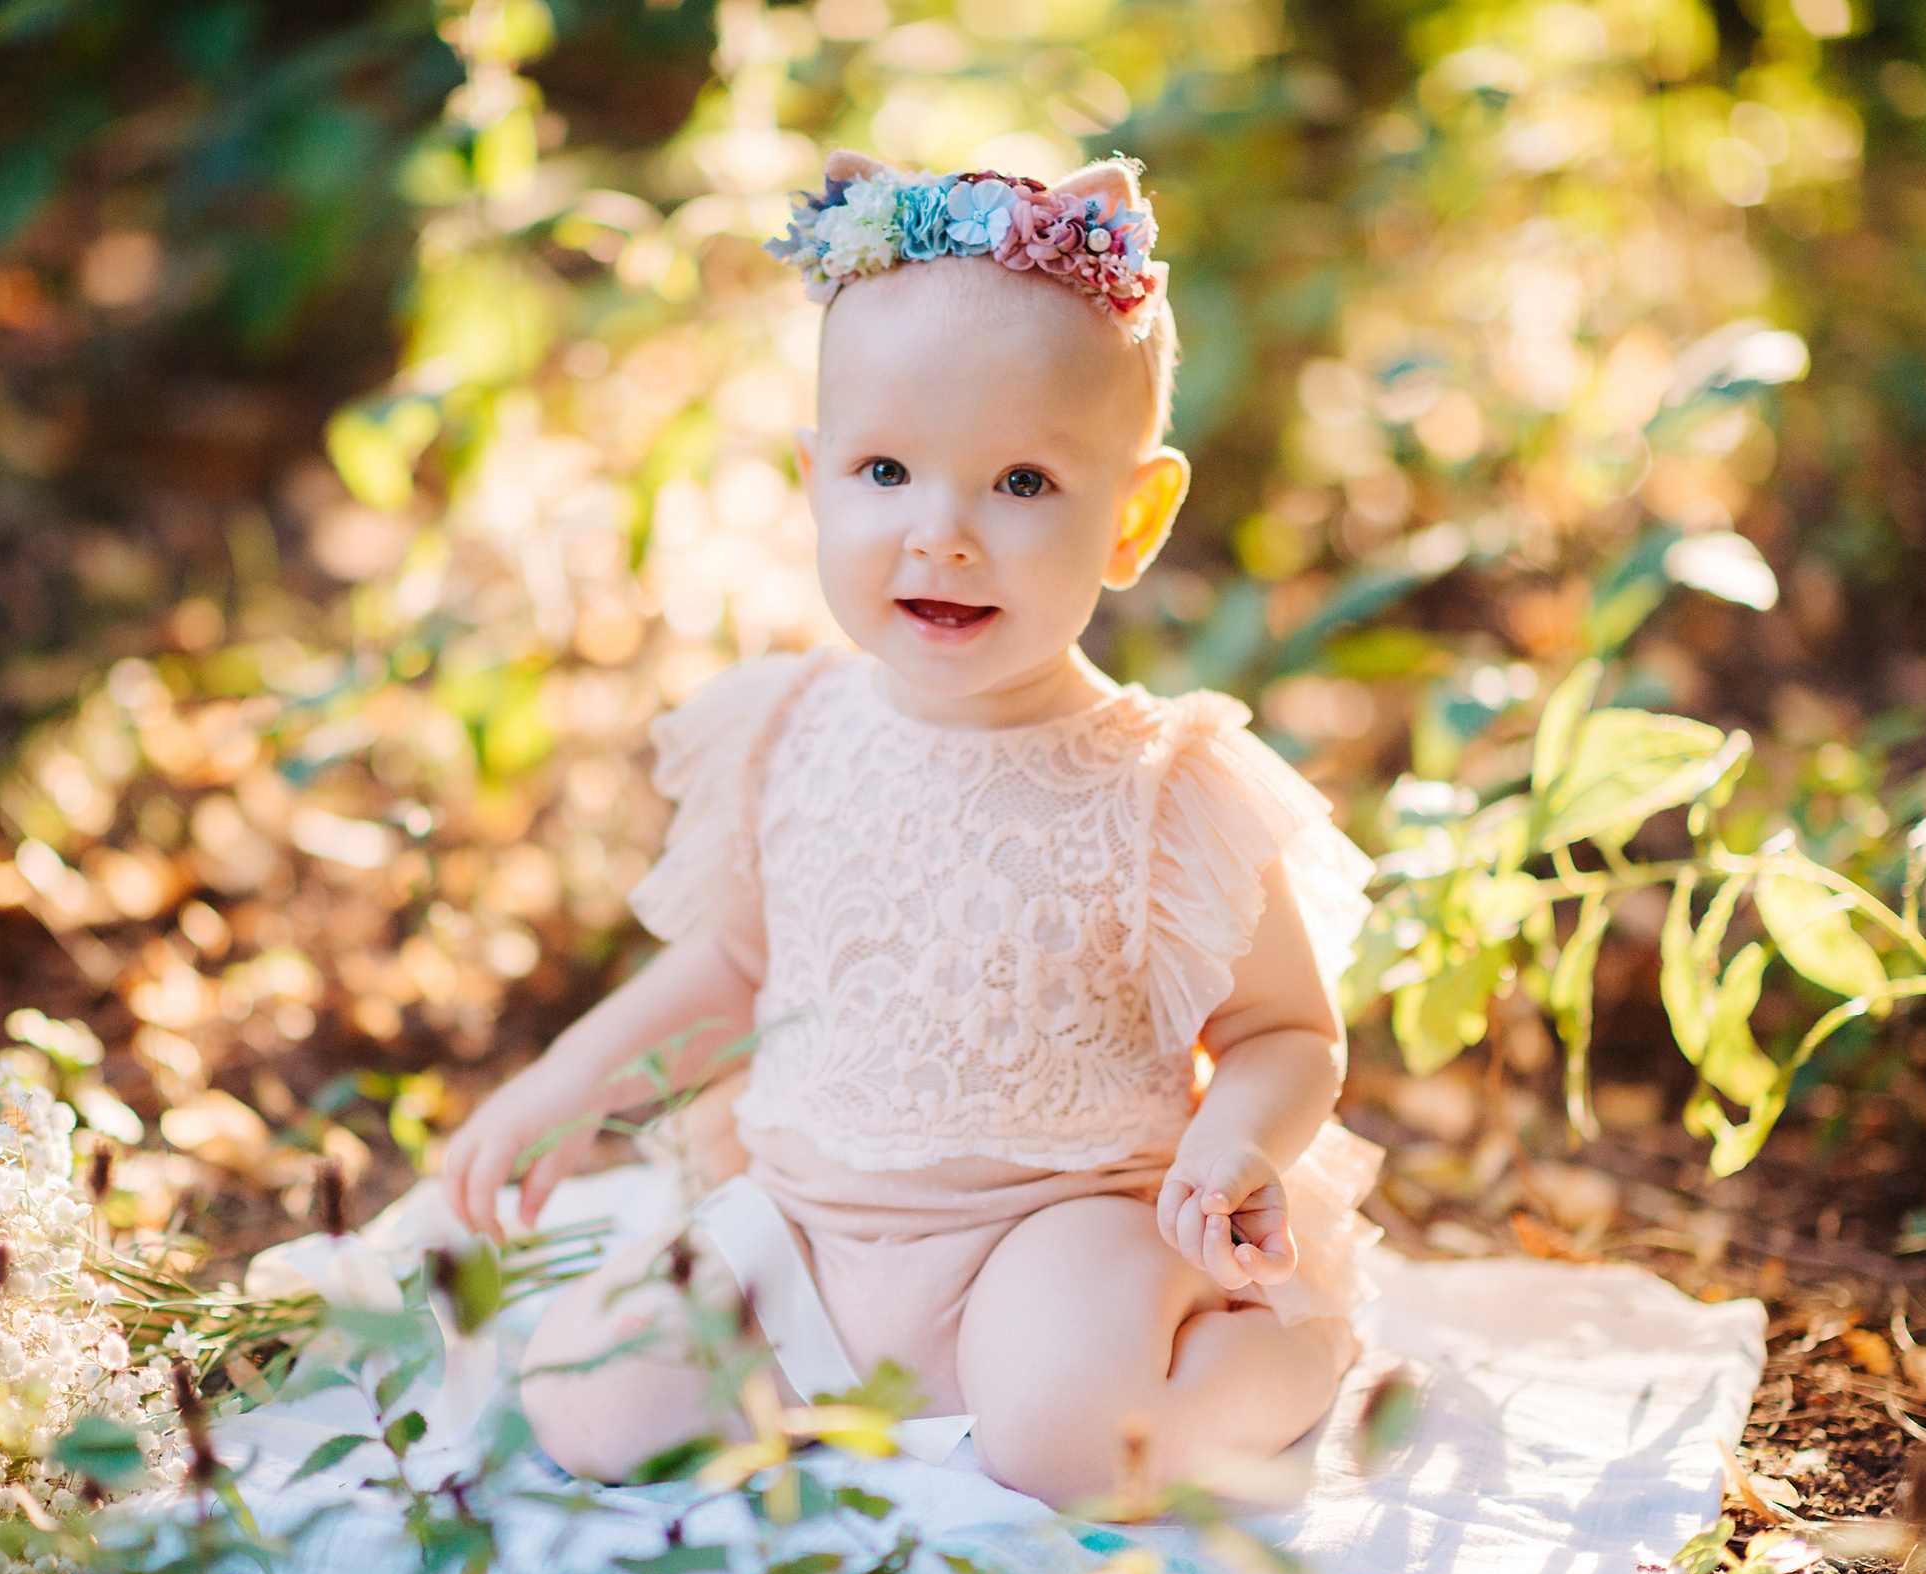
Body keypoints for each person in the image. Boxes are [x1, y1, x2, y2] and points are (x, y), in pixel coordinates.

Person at [440, 151, 1382, 1506]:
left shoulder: (1164, 785)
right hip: (812, 1226)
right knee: (591, 1398)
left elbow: (1287, 1032)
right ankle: (833, 1389)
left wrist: (1236, 1142)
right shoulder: (791, 731)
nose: (941, 534)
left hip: (1066, 1225)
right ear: (814, 478)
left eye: (1021, 484)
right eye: (886, 470)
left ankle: (1269, 1364)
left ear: (1134, 515)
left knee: (1067, 1441)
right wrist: (564, 1086)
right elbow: (731, 974)